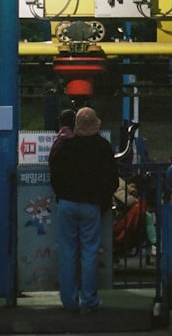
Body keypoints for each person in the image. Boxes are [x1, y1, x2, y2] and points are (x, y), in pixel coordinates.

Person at [48, 107, 119, 313]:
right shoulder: (103, 147)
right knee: (89, 252)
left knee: (68, 252)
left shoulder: (65, 146)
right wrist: (100, 197)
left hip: (66, 205)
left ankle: (69, 302)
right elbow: (112, 180)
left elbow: (55, 175)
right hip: (91, 206)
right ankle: (89, 300)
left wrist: (62, 194)